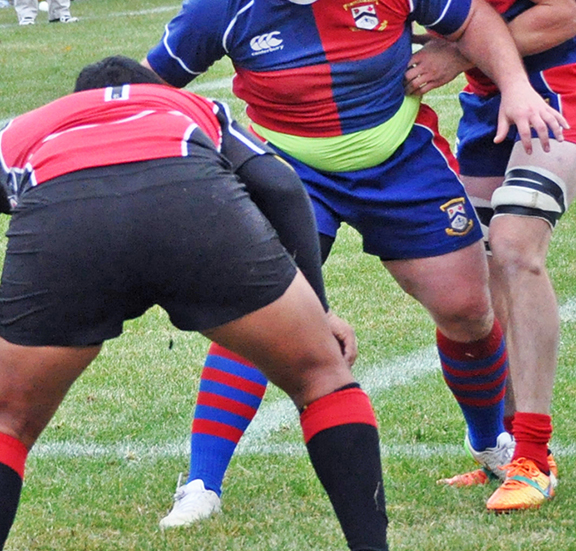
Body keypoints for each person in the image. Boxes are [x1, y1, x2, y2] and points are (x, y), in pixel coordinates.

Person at [144, 0, 567, 527]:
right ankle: (200, 484)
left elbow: (476, 22)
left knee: (467, 309)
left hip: (398, 159)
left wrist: (516, 87)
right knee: (260, 312)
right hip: (290, 172)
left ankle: (490, 440)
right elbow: (150, 85)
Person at [0, 55, 388, 551]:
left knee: (8, 423)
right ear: (153, 89)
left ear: (76, 101)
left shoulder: (25, 127)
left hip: (70, 226)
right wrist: (319, 309)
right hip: (192, 205)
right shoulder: (191, 106)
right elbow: (280, 184)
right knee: (321, 377)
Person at [342, 0, 576, 512]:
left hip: (560, 86)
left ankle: (535, 454)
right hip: (485, 100)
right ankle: (504, 446)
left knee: (515, 247)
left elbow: (567, 7)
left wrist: (456, 51)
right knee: (473, 272)